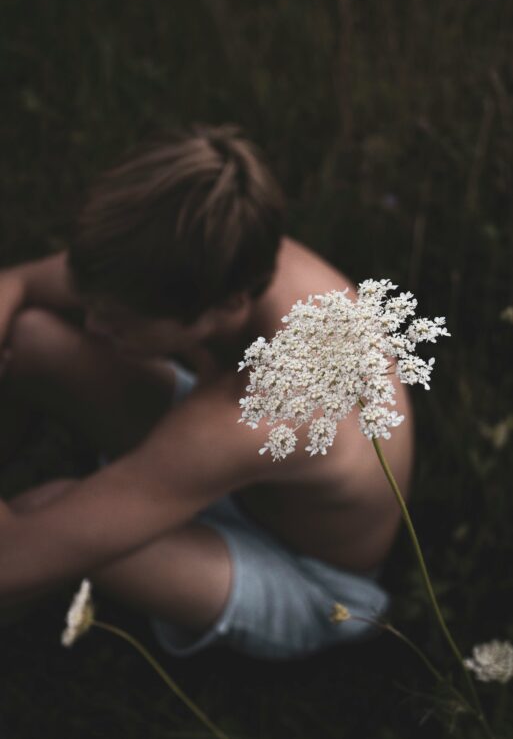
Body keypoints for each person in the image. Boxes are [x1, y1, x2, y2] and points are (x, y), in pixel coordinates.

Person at [0, 125, 413, 659]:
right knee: (35, 338)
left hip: (306, 575)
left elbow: (12, 558)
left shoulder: (257, 409)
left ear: (225, 308)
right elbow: (18, 283)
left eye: (120, 321)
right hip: (236, 472)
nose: (94, 325)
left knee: (45, 511)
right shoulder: (210, 249)